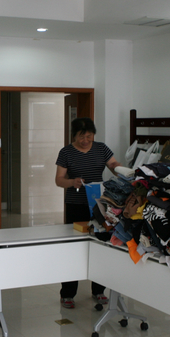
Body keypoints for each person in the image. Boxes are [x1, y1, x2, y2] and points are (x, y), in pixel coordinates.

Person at [54, 117, 123, 309]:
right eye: (81, 137)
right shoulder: (66, 152)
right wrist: (72, 182)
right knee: (73, 248)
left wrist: (121, 170)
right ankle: (67, 293)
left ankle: (99, 290)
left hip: (99, 204)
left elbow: (113, 165)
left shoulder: (101, 148)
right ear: (74, 136)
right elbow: (59, 180)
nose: (85, 140)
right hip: (76, 204)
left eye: (89, 136)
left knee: (101, 244)